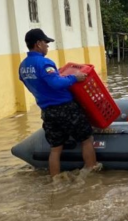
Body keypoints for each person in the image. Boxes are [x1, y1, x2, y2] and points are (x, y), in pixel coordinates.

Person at [18, 28, 99, 177]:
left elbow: (30, 84)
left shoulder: (23, 66)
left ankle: (55, 180)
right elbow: (55, 83)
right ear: (38, 44)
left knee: (55, 148)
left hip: (47, 110)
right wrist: (75, 78)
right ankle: (91, 170)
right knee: (87, 139)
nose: (47, 46)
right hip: (65, 107)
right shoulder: (44, 62)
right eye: (46, 42)